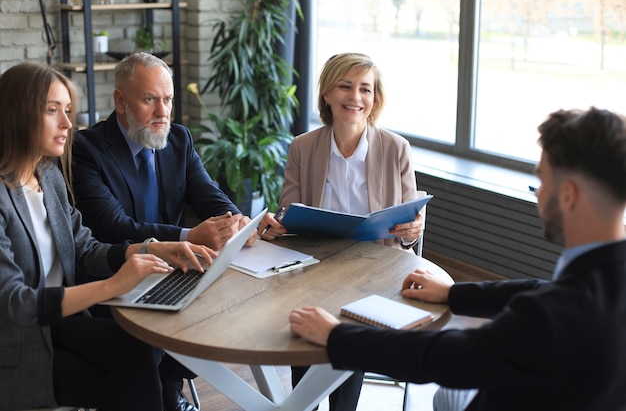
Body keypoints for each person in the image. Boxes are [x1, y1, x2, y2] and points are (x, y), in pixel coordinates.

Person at [289, 107, 626, 411]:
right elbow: (544, 289)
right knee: (447, 399)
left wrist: (336, 336)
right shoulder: (599, 281)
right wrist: (453, 294)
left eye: (541, 180)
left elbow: (439, 356)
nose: (538, 194)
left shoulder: (550, 318)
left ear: (568, 195)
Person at [0, 61, 216, 411]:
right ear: (16, 114)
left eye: (68, 110)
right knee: (124, 381)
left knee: (140, 350)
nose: (67, 123)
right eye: (52, 110)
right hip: (18, 346)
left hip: (60, 325)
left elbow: (83, 247)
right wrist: (114, 285)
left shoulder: (48, 176)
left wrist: (147, 250)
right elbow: (15, 304)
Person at [71, 52, 256, 411]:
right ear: (121, 101)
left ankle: (170, 388)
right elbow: (114, 226)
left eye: (168, 99)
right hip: (119, 278)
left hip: (173, 275)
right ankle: (162, 395)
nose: (163, 112)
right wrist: (188, 237)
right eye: (150, 99)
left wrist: (238, 221)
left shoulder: (178, 140)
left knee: (231, 305)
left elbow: (211, 197)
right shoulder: (87, 149)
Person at [260, 52, 425, 410]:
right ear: (327, 95)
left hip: (377, 267)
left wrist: (413, 229)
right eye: (345, 86)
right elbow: (289, 219)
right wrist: (276, 226)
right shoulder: (303, 147)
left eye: (365, 89)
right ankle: (305, 404)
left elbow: (409, 231)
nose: (356, 97)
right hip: (315, 263)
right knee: (306, 320)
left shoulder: (397, 149)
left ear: (375, 99)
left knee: (351, 327)